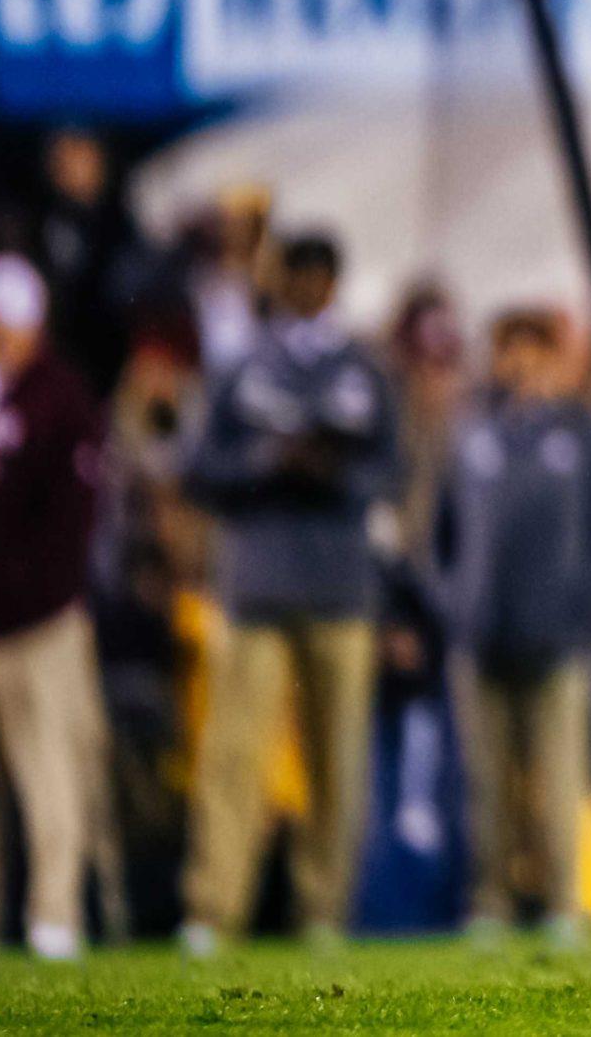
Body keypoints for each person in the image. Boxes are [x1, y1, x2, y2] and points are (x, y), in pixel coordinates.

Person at [177, 233, 400, 955]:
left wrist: (333, 472)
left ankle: (323, 911)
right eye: (294, 277)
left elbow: (394, 469)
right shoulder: (242, 365)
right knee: (234, 755)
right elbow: (200, 469)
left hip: (340, 582)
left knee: (338, 759)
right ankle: (214, 909)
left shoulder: (364, 367)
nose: (305, 289)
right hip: (259, 581)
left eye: (316, 277)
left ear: (334, 282)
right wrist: (268, 461)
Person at [437, 308, 591, 944]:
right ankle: (491, 902)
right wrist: (456, 604)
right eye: (511, 347)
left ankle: (565, 903)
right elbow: (443, 536)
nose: (522, 362)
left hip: (559, 637)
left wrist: (585, 607)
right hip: (483, 635)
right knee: (485, 786)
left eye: (535, 348)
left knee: (562, 778)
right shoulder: (473, 432)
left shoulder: (580, 431)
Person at [0, 256, 106, 960]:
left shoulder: (59, 398)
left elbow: (69, 520)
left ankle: (55, 916)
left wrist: (29, 595)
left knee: (50, 777)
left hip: (34, 624)